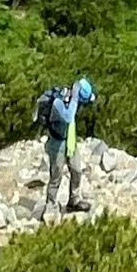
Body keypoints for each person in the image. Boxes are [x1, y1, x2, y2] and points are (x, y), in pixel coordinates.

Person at [36, 75, 96, 216]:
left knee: (76, 170)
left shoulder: (72, 100)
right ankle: (51, 205)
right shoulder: (58, 102)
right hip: (57, 143)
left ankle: (73, 200)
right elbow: (68, 117)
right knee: (56, 176)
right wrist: (75, 97)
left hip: (70, 140)